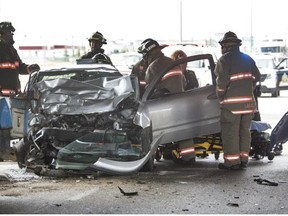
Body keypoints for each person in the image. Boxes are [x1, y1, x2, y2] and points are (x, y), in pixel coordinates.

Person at [138, 38, 195, 164]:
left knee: (160, 131)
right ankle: (189, 157)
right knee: (183, 129)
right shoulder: (172, 62)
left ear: (147, 55)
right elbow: (184, 82)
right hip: (181, 100)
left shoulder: (153, 66)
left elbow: (149, 90)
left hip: (166, 104)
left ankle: (166, 153)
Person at [214, 31, 261, 170]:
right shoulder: (248, 59)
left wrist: (220, 96)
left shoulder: (224, 60)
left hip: (231, 106)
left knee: (230, 133)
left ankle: (232, 162)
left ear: (225, 46)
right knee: (244, 132)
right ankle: (243, 160)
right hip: (248, 105)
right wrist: (248, 89)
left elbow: (221, 83)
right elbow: (256, 77)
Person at [0, 21, 40, 161]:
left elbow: (19, 67)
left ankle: (6, 151)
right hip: (1, 96)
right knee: (4, 125)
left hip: (12, 96)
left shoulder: (12, 50)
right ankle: (3, 151)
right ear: (2, 33)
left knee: (11, 126)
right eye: (10, 32)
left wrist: (30, 68)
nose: (12, 34)